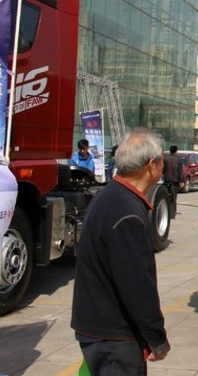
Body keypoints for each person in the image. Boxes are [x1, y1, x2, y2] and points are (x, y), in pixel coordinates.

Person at [71, 128, 170, 375]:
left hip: (99, 327)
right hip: (114, 336)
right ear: (151, 166)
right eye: (162, 161)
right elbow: (136, 284)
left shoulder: (111, 195)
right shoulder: (127, 212)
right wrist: (156, 337)